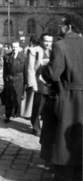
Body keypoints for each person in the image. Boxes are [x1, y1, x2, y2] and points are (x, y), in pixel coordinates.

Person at [41, 15, 83, 181]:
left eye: (62, 25)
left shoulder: (61, 46)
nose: (59, 27)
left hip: (68, 99)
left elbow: (53, 74)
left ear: (70, 27)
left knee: (64, 144)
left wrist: (44, 67)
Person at [29, 33, 53, 136]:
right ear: (41, 41)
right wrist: (33, 84)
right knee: (37, 107)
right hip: (39, 82)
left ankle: (48, 127)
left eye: (50, 41)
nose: (48, 43)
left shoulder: (54, 51)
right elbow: (30, 69)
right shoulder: (34, 51)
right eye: (46, 41)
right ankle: (36, 127)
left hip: (51, 83)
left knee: (50, 107)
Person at [3, 40, 26, 123]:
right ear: (11, 47)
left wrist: (25, 83)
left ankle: (16, 112)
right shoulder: (6, 56)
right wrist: (5, 81)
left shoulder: (24, 57)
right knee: (8, 98)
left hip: (20, 79)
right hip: (9, 79)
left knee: (17, 97)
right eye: (13, 47)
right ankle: (7, 115)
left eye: (16, 47)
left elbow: (25, 71)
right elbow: (5, 71)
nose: (14, 49)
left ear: (19, 47)